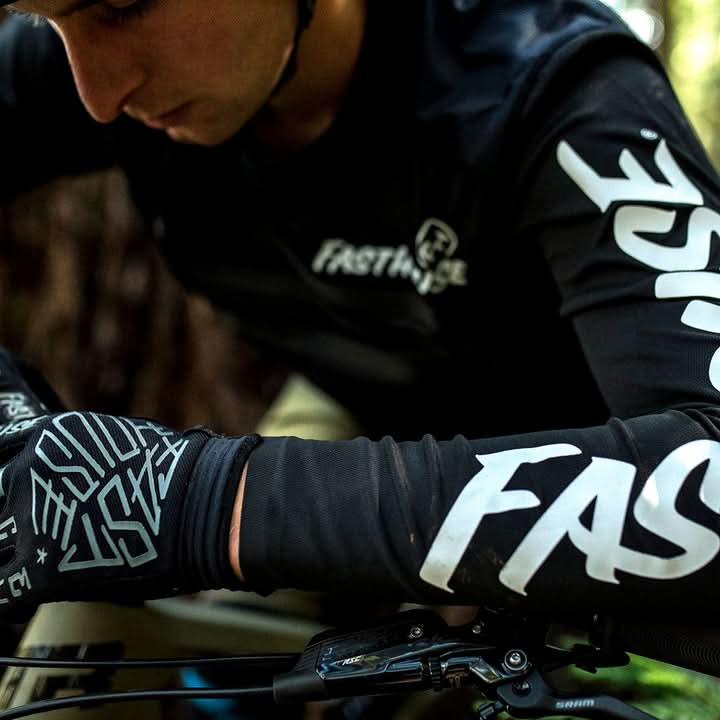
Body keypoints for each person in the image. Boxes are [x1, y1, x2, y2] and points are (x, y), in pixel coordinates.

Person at [0, 0, 720, 712]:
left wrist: (210, 502)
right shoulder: (93, 72)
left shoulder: (560, 87)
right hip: (360, 396)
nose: (98, 94)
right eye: (46, 21)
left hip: (562, 456)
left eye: (125, 7)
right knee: (153, 664)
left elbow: (708, 476)